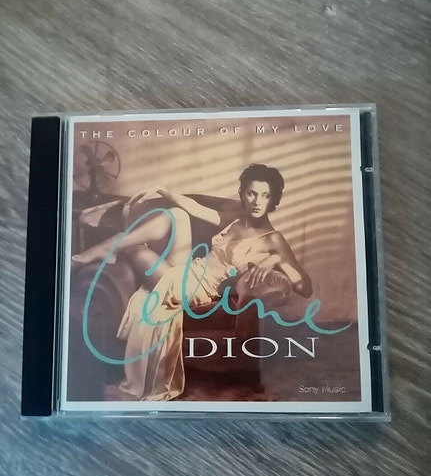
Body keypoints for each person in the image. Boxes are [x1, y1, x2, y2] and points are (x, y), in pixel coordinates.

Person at [72, 164, 312, 401]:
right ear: (243, 194)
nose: (257, 201)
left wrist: (276, 259)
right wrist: (163, 189)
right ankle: (113, 246)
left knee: (132, 248)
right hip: (187, 269)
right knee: (178, 215)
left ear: (273, 199)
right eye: (252, 193)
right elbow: (195, 208)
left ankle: (109, 246)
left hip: (196, 290)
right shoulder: (236, 219)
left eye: (265, 195)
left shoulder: (273, 239)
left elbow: (305, 287)